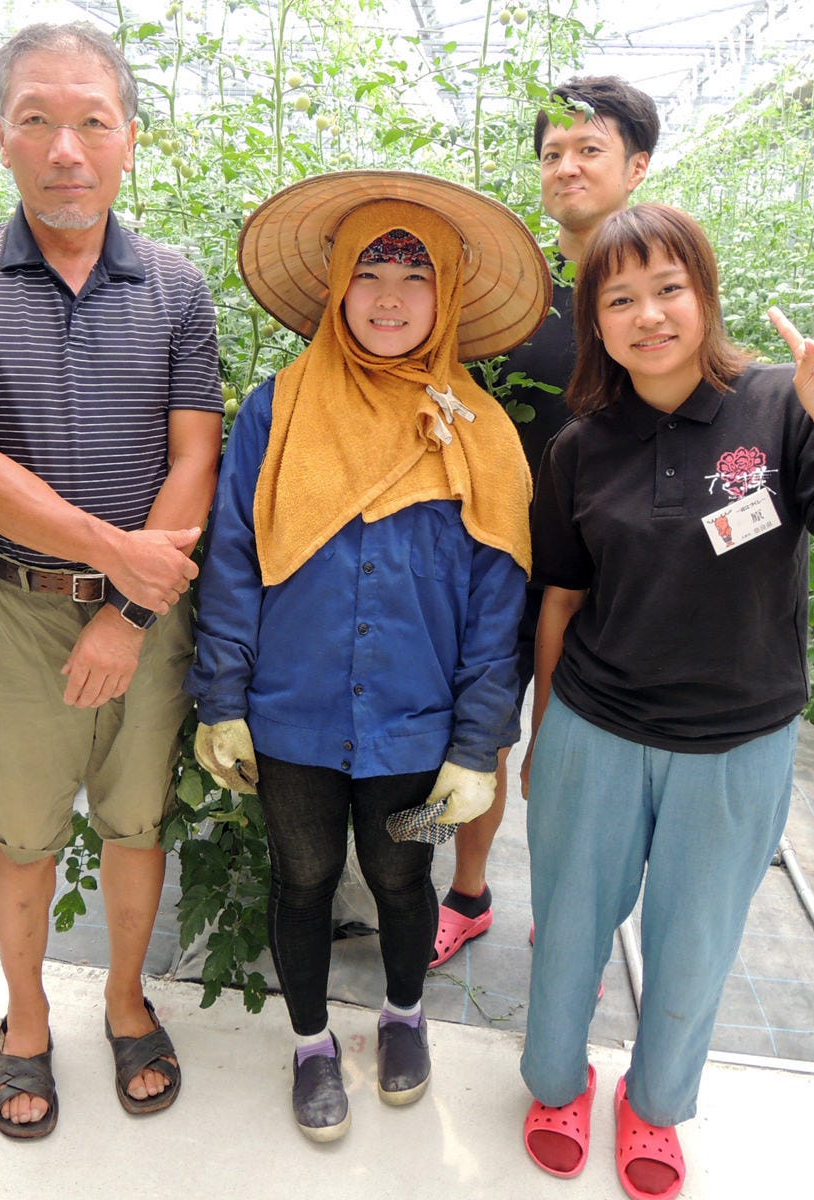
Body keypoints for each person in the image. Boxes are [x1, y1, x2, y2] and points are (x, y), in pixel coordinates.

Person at [0, 21, 222, 1136]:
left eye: (92, 120)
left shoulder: (176, 287)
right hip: (9, 608)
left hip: (147, 613)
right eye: (37, 120)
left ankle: (127, 999)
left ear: (130, 137)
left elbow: (194, 459)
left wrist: (128, 609)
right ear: (2, 135)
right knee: (23, 834)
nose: (66, 148)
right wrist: (112, 552)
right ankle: (27, 1020)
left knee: (136, 822)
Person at [187, 171, 549, 1140]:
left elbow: (497, 605)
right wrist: (222, 697)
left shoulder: (479, 431)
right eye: (371, 272)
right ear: (338, 284)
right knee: (303, 876)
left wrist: (477, 745)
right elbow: (234, 559)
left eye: (416, 275)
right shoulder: (276, 410)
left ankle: (403, 1017)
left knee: (401, 876)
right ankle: (312, 1043)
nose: (390, 297)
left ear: (448, 295)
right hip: (291, 713)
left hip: (415, 726)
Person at [518, 203, 814, 1200]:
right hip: (596, 727)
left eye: (669, 288)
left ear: (705, 294)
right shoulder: (581, 445)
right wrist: (542, 735)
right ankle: (556, 1083)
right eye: (620, 299)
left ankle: (657, 1104)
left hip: (737, 741)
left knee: (696, 940)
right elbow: (561, 599)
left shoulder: (782, 404)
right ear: (596, 322)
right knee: (569, 923)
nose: (649, 315)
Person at [431, 75, 660, 968]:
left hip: (613, 572)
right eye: (552, 152)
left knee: (583, 752)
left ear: (637, 167)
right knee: (482, 731)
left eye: (589, 150)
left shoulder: (656, 292)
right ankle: (468, 892)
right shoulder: (511, 291)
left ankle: (569, 916)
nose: (567, 167)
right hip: (501, 557)